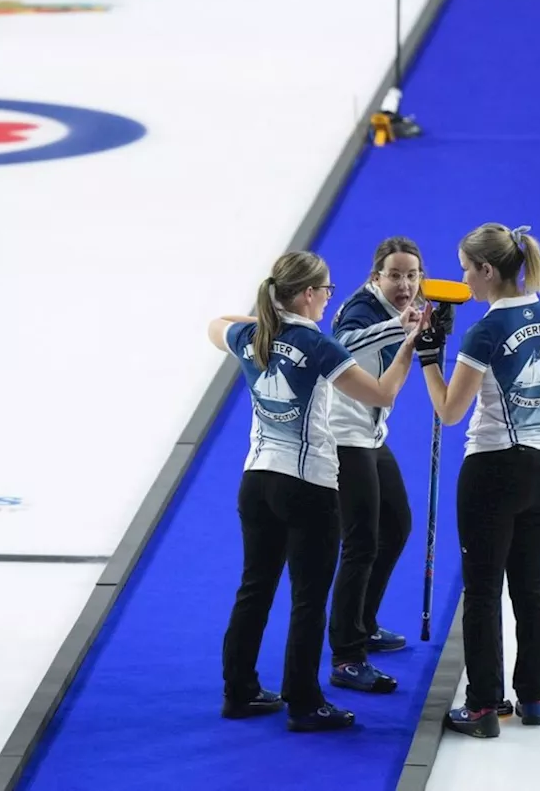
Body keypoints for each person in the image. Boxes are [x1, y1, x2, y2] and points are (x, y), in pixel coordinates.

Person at [207, 250, 427, 732]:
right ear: (307, 294)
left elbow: (214, 324)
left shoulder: (249, 336)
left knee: (254, 588)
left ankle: (239, 691)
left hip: (256, 480)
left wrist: (270, 322)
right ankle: (304, 702)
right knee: (308, 598)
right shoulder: (319, 345)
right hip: (306, 486)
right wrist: (409, 344)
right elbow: (382, 394)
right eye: (325, 290)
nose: (329, 298)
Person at [413, 223, 540, 737]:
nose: (464, 278)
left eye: (467, 268)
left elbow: (450, 410)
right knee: (529, 584)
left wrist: (427, 360)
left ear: (487, 270)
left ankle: (483, 706)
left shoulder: (484, 332)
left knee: (482, 590)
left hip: (493, 467)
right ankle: (533, 697)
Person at [324, 237, 423, 695]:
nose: (404, 284)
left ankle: (363, 622)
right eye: (395, 275)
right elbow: (341, 345)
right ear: (375, 277)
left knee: (397, 526)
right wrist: (401, 327)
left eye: (411, 275)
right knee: (361, 542)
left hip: (372, 433)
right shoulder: (360, 309)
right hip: (344, 437)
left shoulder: (410, 305)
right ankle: (346, 655)